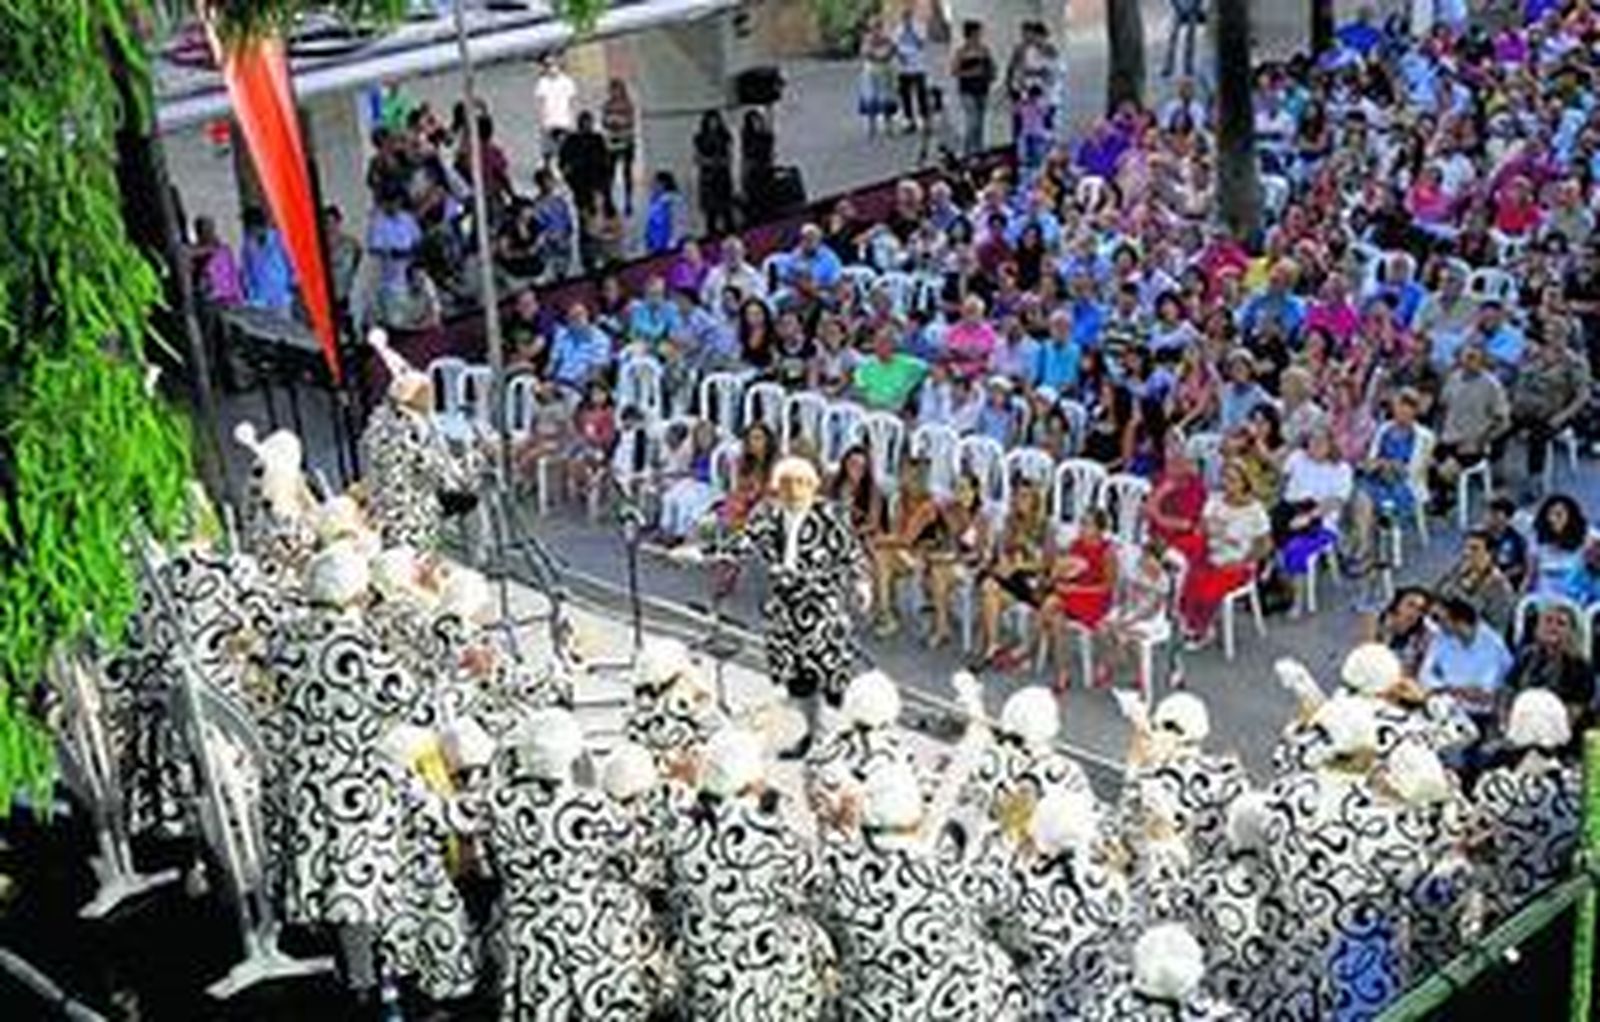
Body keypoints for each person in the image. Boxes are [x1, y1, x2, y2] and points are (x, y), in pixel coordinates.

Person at [706, 458, 871, 756]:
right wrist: (703, 552)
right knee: (798, 682)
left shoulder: (830, 515)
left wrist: (862, 583)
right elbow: (742, 543)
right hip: (785, 606)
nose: (793, 491)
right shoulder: (768, 514)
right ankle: (810, 735)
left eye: (800, 484)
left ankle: (845, 741)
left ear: (812, 486)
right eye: (786, 485)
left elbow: (852, 553)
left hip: (821, 606)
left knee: (832, 680)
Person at [665, 728, 833, 1019]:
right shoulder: (771, 835)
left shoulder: (679, 829)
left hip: (701, 980)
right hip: (763, 985)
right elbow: (816, 890)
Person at [1470, 689, 1581, 922]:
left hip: (1507, 915)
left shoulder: (1495, 785)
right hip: (1564, 909)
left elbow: (1475, 845)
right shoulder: (1578, 785)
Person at [360, 331, 478, 552]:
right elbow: (443, 477)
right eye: (428, 393)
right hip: (409, 515)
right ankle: (476, 551)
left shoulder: (378, 420)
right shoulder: (415, 430)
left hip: (380, 502)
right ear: (419, 398)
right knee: (473, 498)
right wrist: (472, 460)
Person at [1178, 460, 1269, 645]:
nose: (1228, 484)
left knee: (1206, 581)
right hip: (1210, 552)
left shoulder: (1255, 510)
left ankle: (1202, 626)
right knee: (1185, 566)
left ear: (1245, 482)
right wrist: (1207, 527)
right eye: (1225, 478)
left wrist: (1244, 561)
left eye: (1233, 480)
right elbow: (1201, 529)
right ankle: (1188, 617)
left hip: (1238, 561)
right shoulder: (1215, 499)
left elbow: (1265, 545)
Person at [1039, 508, 1119, 691]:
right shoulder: (1076, 545)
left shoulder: (1108, 551)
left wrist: (1076, 589)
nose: (1082, 528)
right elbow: (1066, 571)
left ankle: (1029, 649)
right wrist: (1060, 570)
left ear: (1100, 529)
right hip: (1073, 593)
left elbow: (1108, 586)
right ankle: (1062, 672)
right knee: (1055, 615)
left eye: (1087, 524)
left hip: (1095, 598)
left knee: (1050, 604)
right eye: (1082, 523)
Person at [978, 481, 1051, 666]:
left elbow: (1046, 564)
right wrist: (1005, 559)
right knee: (989, 588)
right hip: (1013, 580)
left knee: (990, 587)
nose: (1019, 500)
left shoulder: (1045, 527)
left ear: (1035, 501)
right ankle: (993, 645)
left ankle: (994, 645)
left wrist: (1019, 565)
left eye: (1025, 496)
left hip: (1033, 584)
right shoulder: (1010, 521)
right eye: (1017, 496)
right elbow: (1003, 551)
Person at [1418, 596, 1512, 727]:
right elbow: (1424, 675)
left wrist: (1450, 689)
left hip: (1478, 717)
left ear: (1458, 620)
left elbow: (1483, 695)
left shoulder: (1493, 645)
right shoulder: (1441, 638)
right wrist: (1450, 688)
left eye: (1439, 619)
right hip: (1444, 706)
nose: (1436, 625)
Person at [1506, 603, 1595, 731]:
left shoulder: (1580, 668)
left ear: (1572, 631)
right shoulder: (1526, 656)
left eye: (1561, 624)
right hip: (1521, 728)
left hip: (1560, 734)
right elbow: (1507, 692)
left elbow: (1573, 712)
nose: (1553, 627)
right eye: (1548, 621)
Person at [1434, 530, 1517, 635]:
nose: (1467, 553)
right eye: (1465, 548)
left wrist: (1453, 622)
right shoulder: (1457, 571)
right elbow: (1435, 594)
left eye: (1474, 549)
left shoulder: (1500, 588)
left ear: (1490, 553)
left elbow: (1495, 630)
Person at [1530, 493, 1590, 596]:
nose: (1552, 519)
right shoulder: (1536, 539)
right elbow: (1531, 573)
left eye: (1558, 515)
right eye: (1549, 514)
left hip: (1576, 598)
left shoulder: (1587, 537)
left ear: (1570, 517)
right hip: (1544, 598)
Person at [951, 20, 996, 156]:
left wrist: (992, 72)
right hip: (967, 89)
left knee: (981, 121)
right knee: (973, 121)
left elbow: (991, 66)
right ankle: (967, 149)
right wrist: (971, 73)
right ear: (970, 34)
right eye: (977, 32)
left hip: (982, 88)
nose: (980, 35)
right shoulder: (961, 52)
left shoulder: (984, 50)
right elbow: (954, 71)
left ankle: (979, 148)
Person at [240, 206, 294, 316]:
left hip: (281, 297)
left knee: (284, 329)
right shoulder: (247, 245)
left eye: (251, 227)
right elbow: (247, 271)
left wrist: (291, 284)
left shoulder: (279, 238)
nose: (250, 231)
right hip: (260, 300)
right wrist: (252, 294)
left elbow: (291, 262)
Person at [559, 110, 611, 216]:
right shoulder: (572, 140)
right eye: (585, 123)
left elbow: (605, 158)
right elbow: (564, 159)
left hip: (594, 176)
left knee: (595, 204)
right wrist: (567, 171)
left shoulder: (597, 139)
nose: (587, 126)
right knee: (583, 204)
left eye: (589, 123)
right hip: (579, 177)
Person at [693, 111, 736, 236]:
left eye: (716, 121)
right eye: (711, 121)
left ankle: (730, 232)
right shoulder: (700, 137)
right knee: (710, 211)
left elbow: (729, 154)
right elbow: (697, 158)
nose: (714, 124)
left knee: (726, 208)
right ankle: (711, 234)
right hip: (708, 177)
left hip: (723, 175)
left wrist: (723, 161)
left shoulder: (724, 136)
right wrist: (709, 162)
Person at [600, 78, 637, 215]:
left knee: (627, 172)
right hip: (612, 142)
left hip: (626, 141)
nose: (614, 92)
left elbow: (630, 121)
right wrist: (614, 122)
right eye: (612, 90)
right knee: (610, 172)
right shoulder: (607, 105)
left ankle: (628, 200)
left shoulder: (628, 104)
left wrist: (617, 122)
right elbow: (604, 121)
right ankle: (609, 200)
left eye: (616, 89)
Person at [858, 16, 898, 138]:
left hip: (884, 70)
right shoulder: (868, 39)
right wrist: (879, 55)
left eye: (877, 27)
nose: (875, 30)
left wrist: (880, 54)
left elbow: (892, 51)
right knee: (871, 99)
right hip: (872, 71)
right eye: (873, 28)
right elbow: (865, 53)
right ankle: (872, 126)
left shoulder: (887, 38)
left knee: (886, 99)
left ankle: (888, 126)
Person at [892, 8, 930, 135]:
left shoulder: (919, 27)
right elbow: (895, 45)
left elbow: (921, 42)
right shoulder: (898, 29)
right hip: (903, 68)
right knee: (905, 95)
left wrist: (912, 31)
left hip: (918, 65)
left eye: (908, 16)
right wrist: (899, 54)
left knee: (921, 94)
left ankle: (925, 120)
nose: (906, 19)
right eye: (904, 17)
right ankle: (909, 120)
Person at [534, 56, 578, 164]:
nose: (551, 68)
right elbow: (540, 103)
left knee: (565, 149)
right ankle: (548, 170)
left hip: (564, 122)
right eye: (547, 65)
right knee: (547, 151)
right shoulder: (542, 82)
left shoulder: (568, 82)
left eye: (552, 65)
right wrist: (541, 121)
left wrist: (572, 121)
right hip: (548, 123)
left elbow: (572, 103)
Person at [1164, 0, 1207, 78]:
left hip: (1192, 11)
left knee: (1189, 37)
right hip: (1178, 11)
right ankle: (1169, 66)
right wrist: (1177, 10)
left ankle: (1188, 66)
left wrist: (1197, 10)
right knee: (1172, 36)